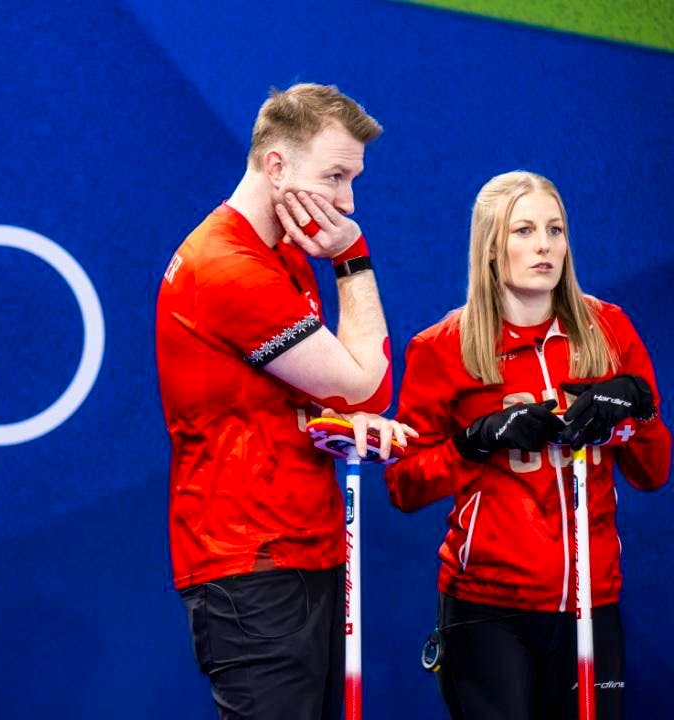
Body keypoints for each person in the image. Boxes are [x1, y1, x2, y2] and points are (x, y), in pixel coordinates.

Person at [155, 82, 415, 720]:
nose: (347, 201)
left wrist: (335, 424)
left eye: (353, 179)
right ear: (276, 165)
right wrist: (352, 255)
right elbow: (368, 386)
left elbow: (338, 395)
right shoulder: (229, 269)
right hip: (253, 564)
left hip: (301, 546)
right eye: (335, 176)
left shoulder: (282, 258)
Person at [385, 171, 671, 719]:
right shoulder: (443, 347)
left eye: (556, 229)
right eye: (524, 230)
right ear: (491, 247)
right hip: (488, 606)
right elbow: (402, 485)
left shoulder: (609, 330)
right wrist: (473, 443)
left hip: (593, 598)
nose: (544, 245)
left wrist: (638, 410)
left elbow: (653, 471)